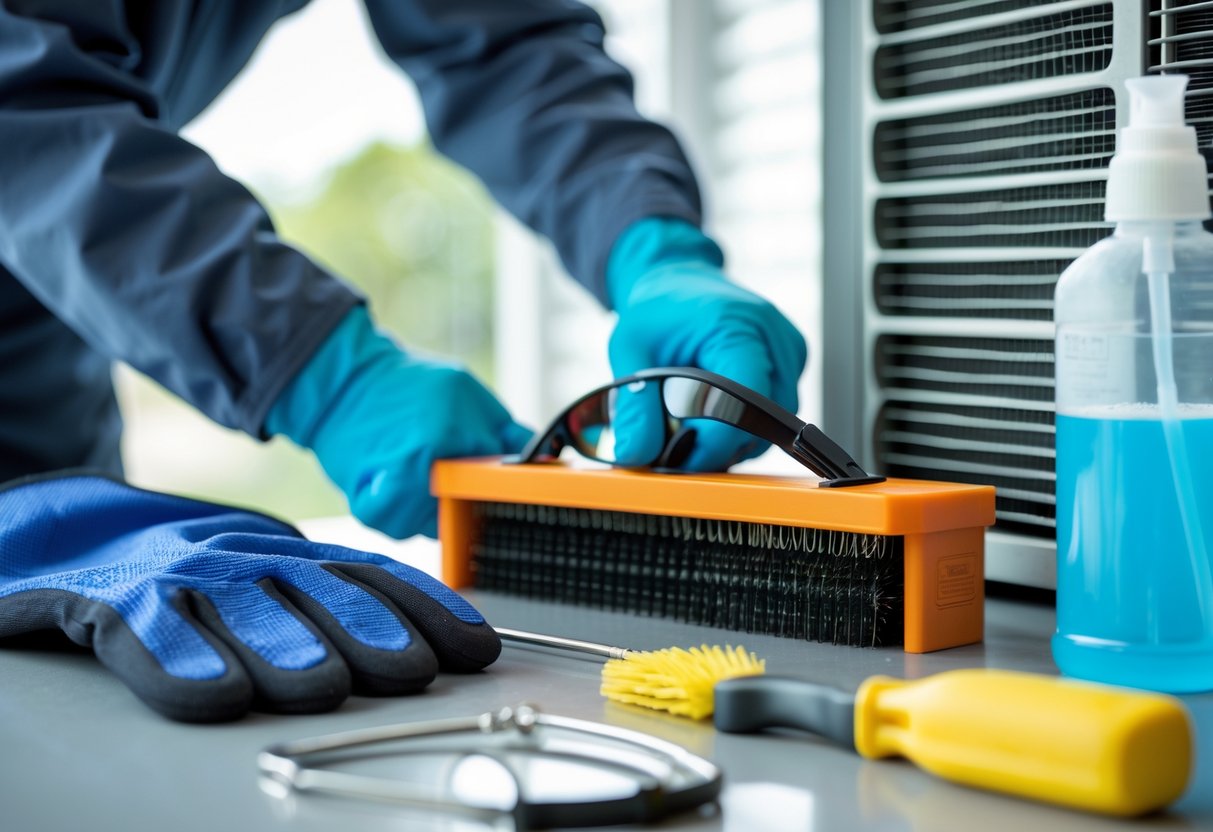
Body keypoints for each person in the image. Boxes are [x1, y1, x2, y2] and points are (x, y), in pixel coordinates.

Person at [0, 1, 807, 720]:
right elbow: (24, 105)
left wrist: (652, 245)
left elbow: (509, 39)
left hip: (47, 325)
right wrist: (327, 374)